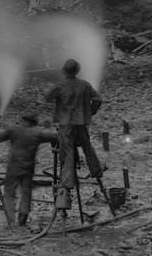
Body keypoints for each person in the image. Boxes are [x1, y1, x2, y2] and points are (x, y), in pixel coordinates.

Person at [43, 59, 103, 208]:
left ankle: (68, 181)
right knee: (88, 147)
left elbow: (47, 97)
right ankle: (96, 170)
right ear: (77, 70)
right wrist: (91, 112)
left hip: (66, 124)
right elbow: (98, 99)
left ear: (64, 71)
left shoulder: (60, 85)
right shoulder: (84, 84)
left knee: (67, 151)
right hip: (81, 123)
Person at [0, 115, 58, 227]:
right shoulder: (38, 132)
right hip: (29, 167)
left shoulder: (14, 129)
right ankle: (23, 218)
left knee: (9, 193)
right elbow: (55, 136)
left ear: (23, 120)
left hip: (14, 166)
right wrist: (49, 127)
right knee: (26, 192)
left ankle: (10, 220)